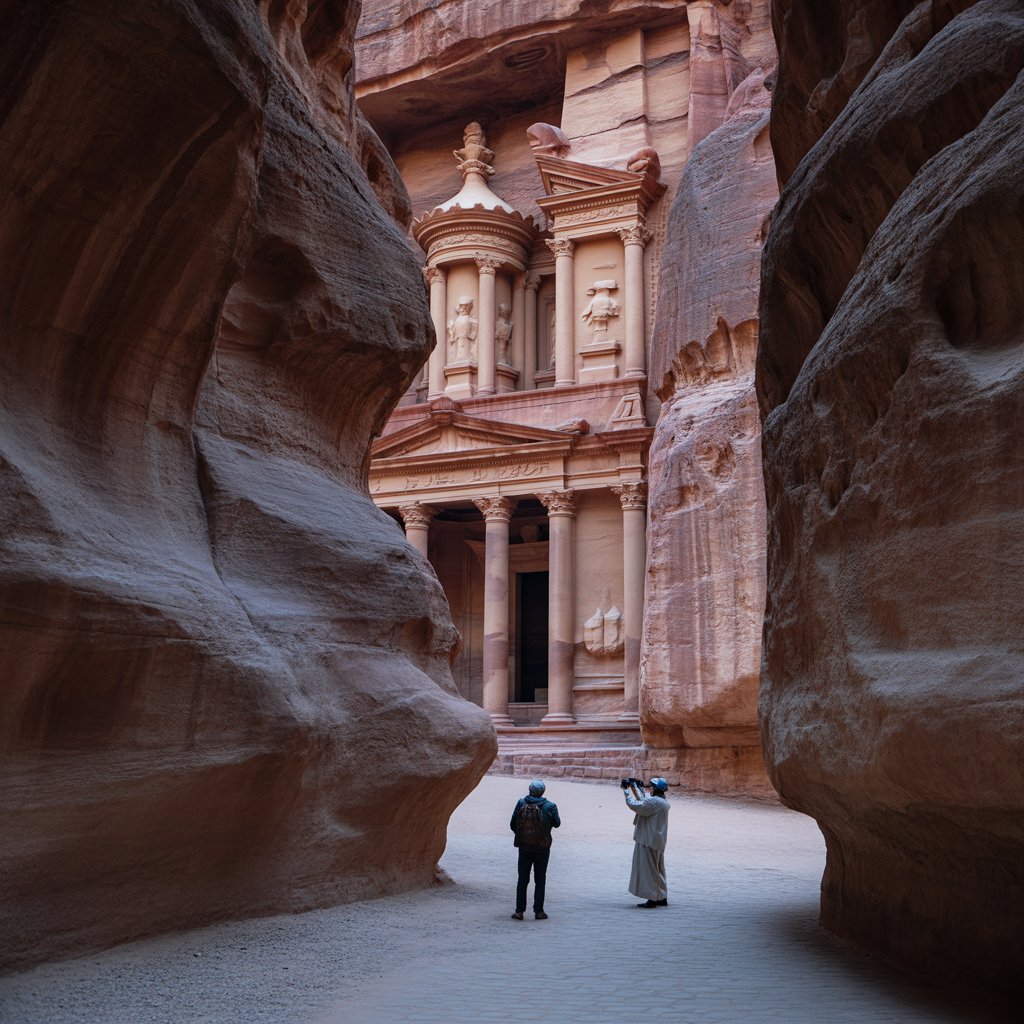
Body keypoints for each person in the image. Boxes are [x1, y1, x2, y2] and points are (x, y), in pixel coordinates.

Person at [510, 779, 560, 920]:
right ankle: (539, 911)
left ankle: (519, 911)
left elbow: (513, 824)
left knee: (522, 879)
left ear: (529, 789)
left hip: (524, 847)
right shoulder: (550, 806)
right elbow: (557, 823)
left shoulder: (521, 803)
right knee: (540, 880)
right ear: (543, 791)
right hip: (542, 848)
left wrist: (524, 836)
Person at [622, 777, 670, 908]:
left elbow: (636, 805)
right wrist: (635, 787)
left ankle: (652, 898)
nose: (649, 790)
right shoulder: (663, 802)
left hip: (648, 840)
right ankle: (661, 896)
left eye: (651, 788)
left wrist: (626, 791)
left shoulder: (655, 803)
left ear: (655, 789)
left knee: (649, 870)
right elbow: (645, 801)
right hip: (658, 840)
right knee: (658, 869)